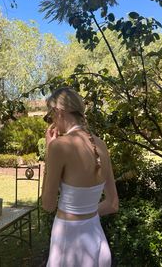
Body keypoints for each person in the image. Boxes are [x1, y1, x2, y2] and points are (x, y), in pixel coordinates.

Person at [42, 87, 119, 267]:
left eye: (50, 116)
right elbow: (112, 204)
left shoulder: (58, 147)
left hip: (69, 244)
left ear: (59, 112)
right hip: (95, 240)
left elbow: (47, 205)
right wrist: (87, 213)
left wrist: (48, 151)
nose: (51, 121)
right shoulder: (102, 145)